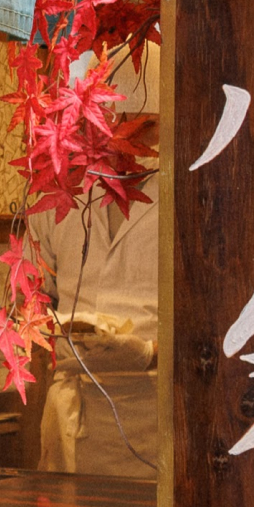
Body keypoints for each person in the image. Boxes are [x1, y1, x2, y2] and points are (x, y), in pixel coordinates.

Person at [35, 49, 159, 478]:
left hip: (155, 415)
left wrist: (148, 352)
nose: (118, 143)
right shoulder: (56, 196)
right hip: (72, 411)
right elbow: (29, 301)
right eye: (99, 126)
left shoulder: (189, 193)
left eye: (138, 127)